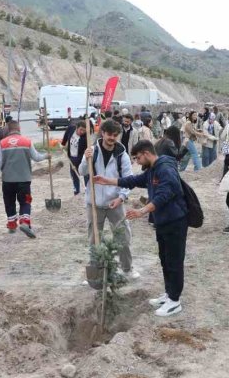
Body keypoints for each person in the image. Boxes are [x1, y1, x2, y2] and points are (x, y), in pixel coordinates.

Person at [94, 140, 187, 317]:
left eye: (137, 158)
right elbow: (134, 180)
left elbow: (165, 194)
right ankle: (169, 294)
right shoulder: (152, 169)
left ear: (146, 153)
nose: (136, 162)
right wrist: (107, 181)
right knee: (165, 259)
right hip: (162, 222)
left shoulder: (165, 169)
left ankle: (175, 301)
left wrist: (142, 211)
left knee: (174, 261)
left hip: (175, 221)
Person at [79, 119, 140, 280]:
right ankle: (96, 272)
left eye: (115, 135)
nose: (112, 138)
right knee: (94, 239)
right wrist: (86, 158)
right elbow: (81, 171)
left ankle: (127, 269)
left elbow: (129, 179)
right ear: (103, 133)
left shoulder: (122, 155)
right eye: (109, 134)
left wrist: (121, 198)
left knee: (123, 238)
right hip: (94, 204)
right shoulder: (92, 151)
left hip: (115, 204)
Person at [0, 121, 47, 238]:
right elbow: (36, 157)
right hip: (24, 180)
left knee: (9, 202)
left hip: (7, 181)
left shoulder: (2, 143)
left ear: (8, 130)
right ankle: (25, 222)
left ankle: (12, 225)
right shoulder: (26, 141)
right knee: (26, 201)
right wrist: (47, 155)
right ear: (19, 128)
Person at [61, 121, 88, 195]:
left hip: (81, 158)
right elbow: (66, 135)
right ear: (77, 127)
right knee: (74, 175)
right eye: (81, 129)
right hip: (71, 157)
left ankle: (87, 190)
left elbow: (86, 150)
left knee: (85, 173)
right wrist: (63, 144)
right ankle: (76, 191)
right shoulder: (71, 129)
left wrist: (80, 161)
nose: (82, 132)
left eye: (84, 131)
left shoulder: (85, 138)